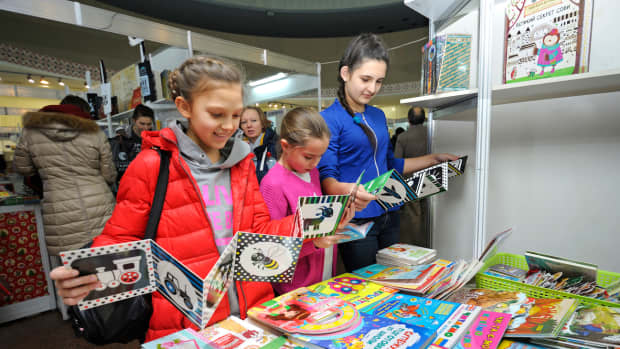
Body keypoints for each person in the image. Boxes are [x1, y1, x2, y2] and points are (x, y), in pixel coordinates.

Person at [49, 56, 298, 342]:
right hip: (183, 320)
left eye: (235, 115)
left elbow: (259, 230)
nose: (229, 126)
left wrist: (307, 228)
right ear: (184, 107)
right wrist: (86, 275)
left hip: (249, 310)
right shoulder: (152, 164)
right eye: (217, 114)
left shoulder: (242, 164)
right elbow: (121, 236)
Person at [318, 33, 458, 272]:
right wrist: (351, 190)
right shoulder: (328, 119)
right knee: (367, 287)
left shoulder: (377, 116)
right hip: (357, 218)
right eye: (365, 79)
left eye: (379, 81)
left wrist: (432, 159)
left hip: (390, 211)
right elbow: (326, 178)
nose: (372, 88)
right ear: (345, 73)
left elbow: (389, 164)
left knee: (396, 279)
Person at [13, 98, 117, 319]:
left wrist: (48, 173)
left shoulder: (32, 132)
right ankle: (111, 316)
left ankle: (80, 318)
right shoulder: (94, 132)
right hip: (98, 202)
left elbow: (21, 167)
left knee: (71, 270)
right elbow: (109, 174)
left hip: (58, 206)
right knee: (106, 263)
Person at [260, 107, 353, 295]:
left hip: (324, 275)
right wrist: (314, 244)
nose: (316, 163)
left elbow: (316, 221)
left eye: (321, 156)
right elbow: (271, 249)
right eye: (309, 157)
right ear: (285, 146)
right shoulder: (273, 184)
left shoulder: (312, 172)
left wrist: (340, 218)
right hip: (295, 287)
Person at [394, 107, 429, 247]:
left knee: (414, 215)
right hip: (432, 177)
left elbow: (397, 160)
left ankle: (418, 244)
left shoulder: (403, 137)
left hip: (410, 181)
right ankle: (430, 241)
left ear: (409, 119)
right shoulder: (432, 133)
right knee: (428, 212)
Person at [108, 104, 154, 187]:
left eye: (149, 124)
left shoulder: (154, 139)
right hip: (126, 186)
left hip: (148, 185)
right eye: (142, 123)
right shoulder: (120, 140)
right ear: (134, 120)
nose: (146, 128)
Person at [240, 106, 279, 182]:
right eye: (244, 122)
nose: (249, 125)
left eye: (254, 120)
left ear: (262, 123)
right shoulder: (241, 149)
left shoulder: (275, 146)